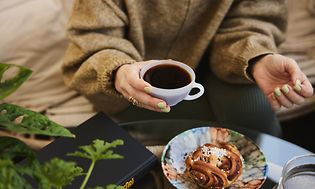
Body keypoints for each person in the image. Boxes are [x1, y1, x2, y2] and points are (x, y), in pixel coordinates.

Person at [62, 0, 313, 136]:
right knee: (216, 135)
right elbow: (95, 39)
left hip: (221, 62)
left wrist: (256, 58)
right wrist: (118, 71)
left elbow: (250, 19)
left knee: (257, 117)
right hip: (129, 81)